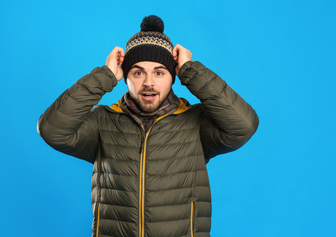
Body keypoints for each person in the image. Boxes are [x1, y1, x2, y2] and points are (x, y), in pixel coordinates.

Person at [37, 15, 259, 237]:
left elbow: (244, 125)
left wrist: (191, 71)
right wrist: (103, 76)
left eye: (160, 72)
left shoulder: (195, 122)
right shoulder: (103, 121)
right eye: (138, 72)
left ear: (173, 77)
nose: (148, 83)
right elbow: (52, 130)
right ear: (125, 77)